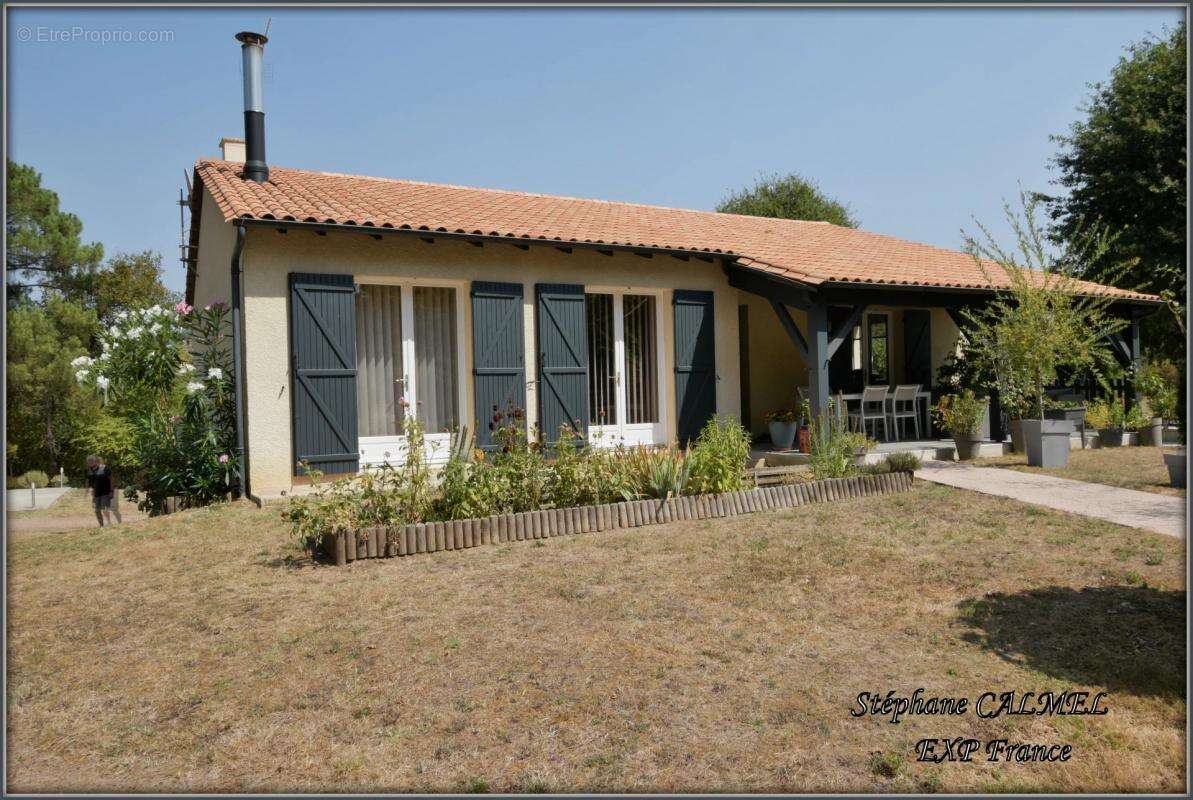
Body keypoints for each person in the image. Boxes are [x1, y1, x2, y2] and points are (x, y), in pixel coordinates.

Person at [85, 454, 122, 527]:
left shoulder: (105, 469)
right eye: (89, 462)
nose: (90, 463)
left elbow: (111, 480)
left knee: (104, 509)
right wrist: (88, 490)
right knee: (96, 510)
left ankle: (108, 523)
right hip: (96, 494)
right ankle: (101, 525)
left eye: (91, 461)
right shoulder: (90, 470)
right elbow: (89, 481)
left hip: (105, 492)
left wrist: (111, 491)